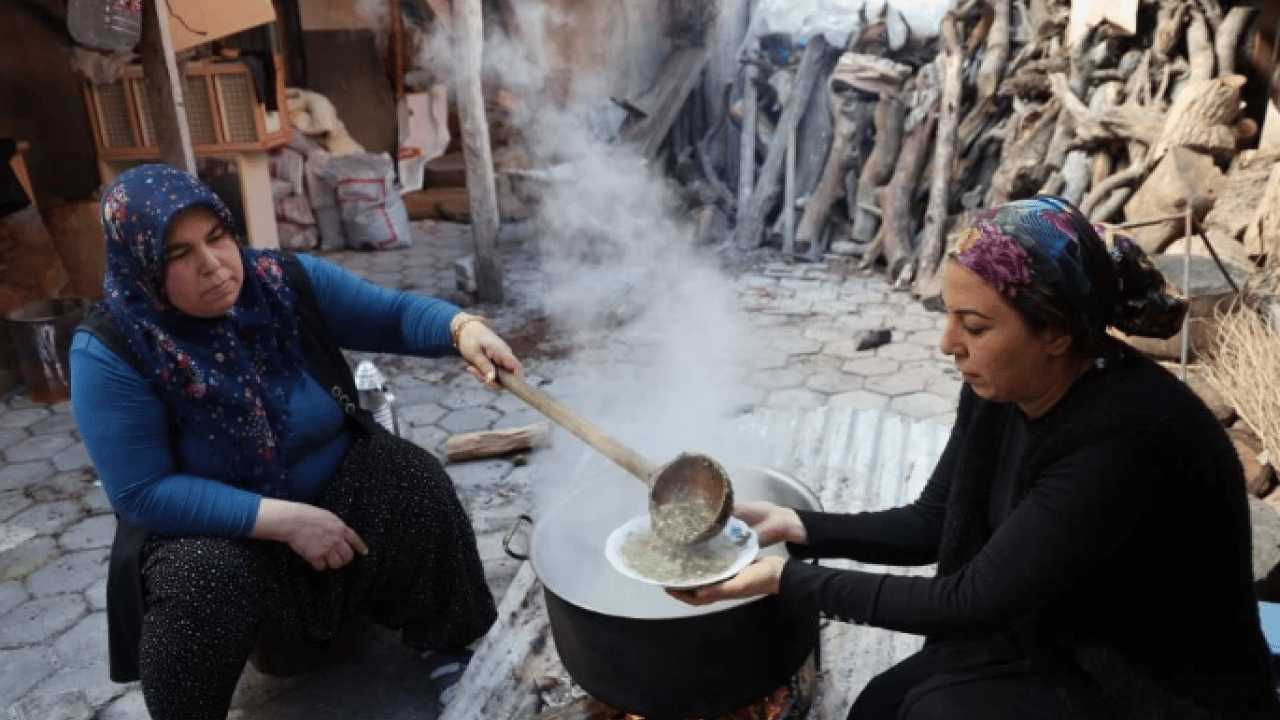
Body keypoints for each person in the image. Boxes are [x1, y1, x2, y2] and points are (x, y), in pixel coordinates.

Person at [671, 196, 1280, 719]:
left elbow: (970, 602)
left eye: (975, 326)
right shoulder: (1001, 389)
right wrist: (798, 528)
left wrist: (786, 579)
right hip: (1059, 624)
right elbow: (936, 519)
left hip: (1153, 679)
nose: (947, 345)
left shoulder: (1125, 442)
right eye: (949, 317)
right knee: (882, 704)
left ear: (1059, 334)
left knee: (933, 711)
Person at [70, 164, 523, 720]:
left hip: (335, 486)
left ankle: (446, 646)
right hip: (222, 532)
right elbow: (142, 492)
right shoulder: (114, 349)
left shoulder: (285, 283)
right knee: (199, 579)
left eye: (217, 237)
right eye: (177, 255)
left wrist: (462, 329)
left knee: (412, 479)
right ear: (141, 266)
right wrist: (288, 521)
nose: (213, 265)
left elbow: (395, 315)